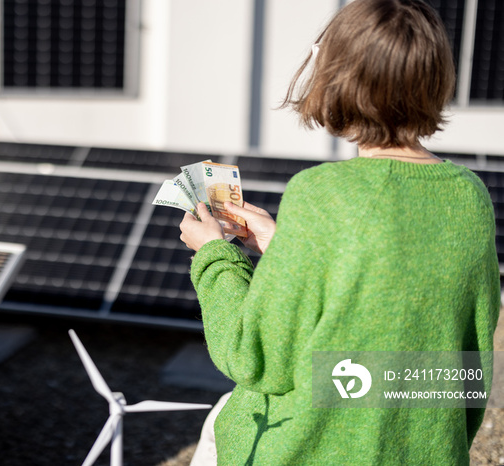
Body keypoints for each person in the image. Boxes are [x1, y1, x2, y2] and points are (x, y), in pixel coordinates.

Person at [179, 0, 501, 464]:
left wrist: (213, 255)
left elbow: (254, 356)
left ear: (337, 76)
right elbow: (461, 362)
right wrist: (284, 244)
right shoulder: (469, 197)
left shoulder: (321, 193)